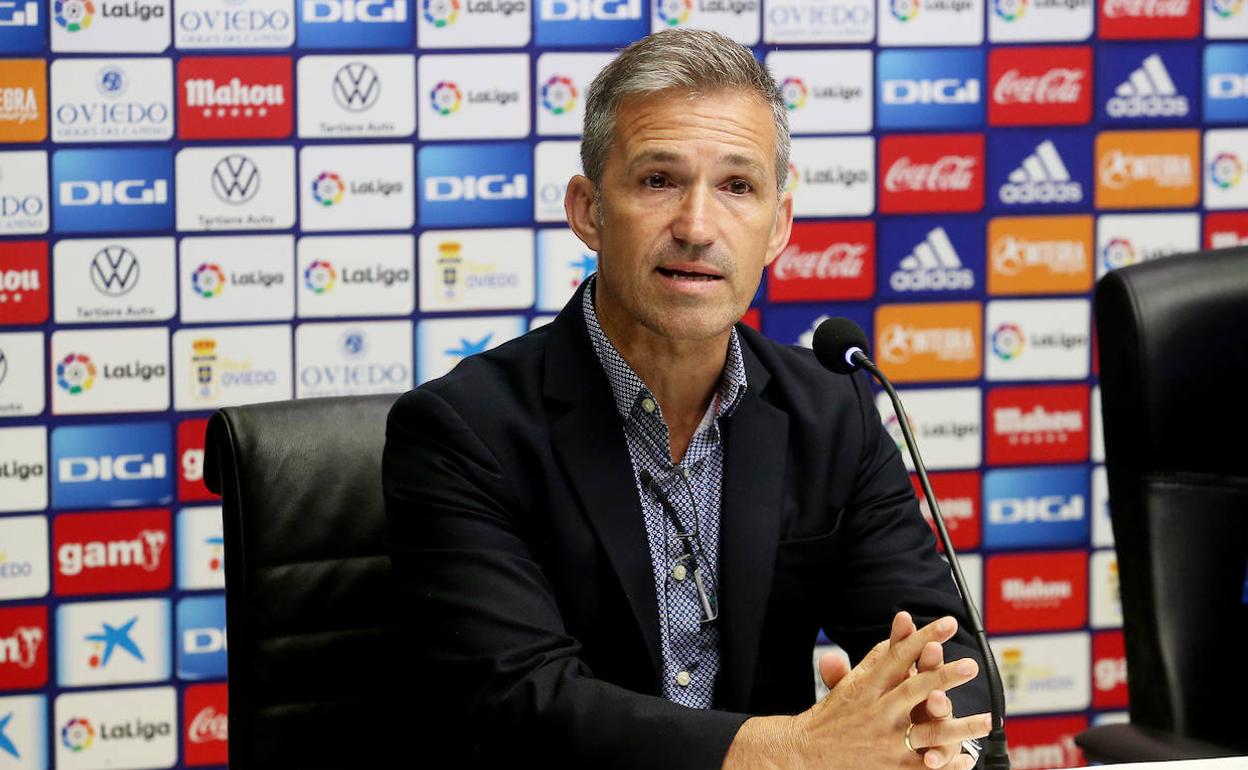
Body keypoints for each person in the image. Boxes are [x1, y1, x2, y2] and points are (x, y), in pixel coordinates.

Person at [382, 27, 993, 769]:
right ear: (587, 211)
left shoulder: (831, 411)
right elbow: (518, 703)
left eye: (738, 187)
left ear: (779, 226)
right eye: (658, 180)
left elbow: (947, 653)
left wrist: (920, 719)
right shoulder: (463, 430)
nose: (698, 227)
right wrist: (792, 751)